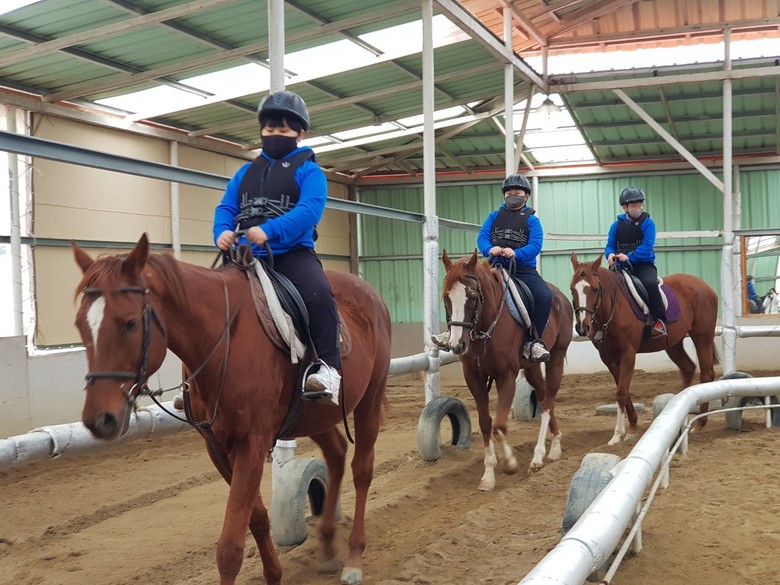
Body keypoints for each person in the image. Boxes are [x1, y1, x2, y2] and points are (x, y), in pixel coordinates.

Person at [213, 90, 341, 404]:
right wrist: (221, 231)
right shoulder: (244, 173)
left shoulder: (310, 171)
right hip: (243, 256)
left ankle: (328, 368)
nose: (274, 135)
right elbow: (226, 207)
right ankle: (198, 380)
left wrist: (269, 231)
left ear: (300, 133)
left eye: (283, 130)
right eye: (269, 129)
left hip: (291, 255)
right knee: (205, 300)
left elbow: (309, 211)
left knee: (319, 294)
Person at [478, 173, 552, 362]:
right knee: (468, 288)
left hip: (522, 269)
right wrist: (489, 249)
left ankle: (533, 342)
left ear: (526, 196)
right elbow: (482, 237)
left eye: (517, 193)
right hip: (494, 265)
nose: (513, 196)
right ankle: (457, 333)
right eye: (509, 193)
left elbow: (536, 245)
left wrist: (516, 253)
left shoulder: (532, 220)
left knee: (544, 296)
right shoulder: (493, 216)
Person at [605, 186, 667, 338]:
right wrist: (610, 254)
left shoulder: (648, 223)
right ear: (625, 207)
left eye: (640, 204)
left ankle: (659, 321)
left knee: (650, 284)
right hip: (620, 267)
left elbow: (647, 247)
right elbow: (610, 245)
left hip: (643, 265)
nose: (638, 207)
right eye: (634, 205)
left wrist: (629, 257)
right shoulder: (615, 226)